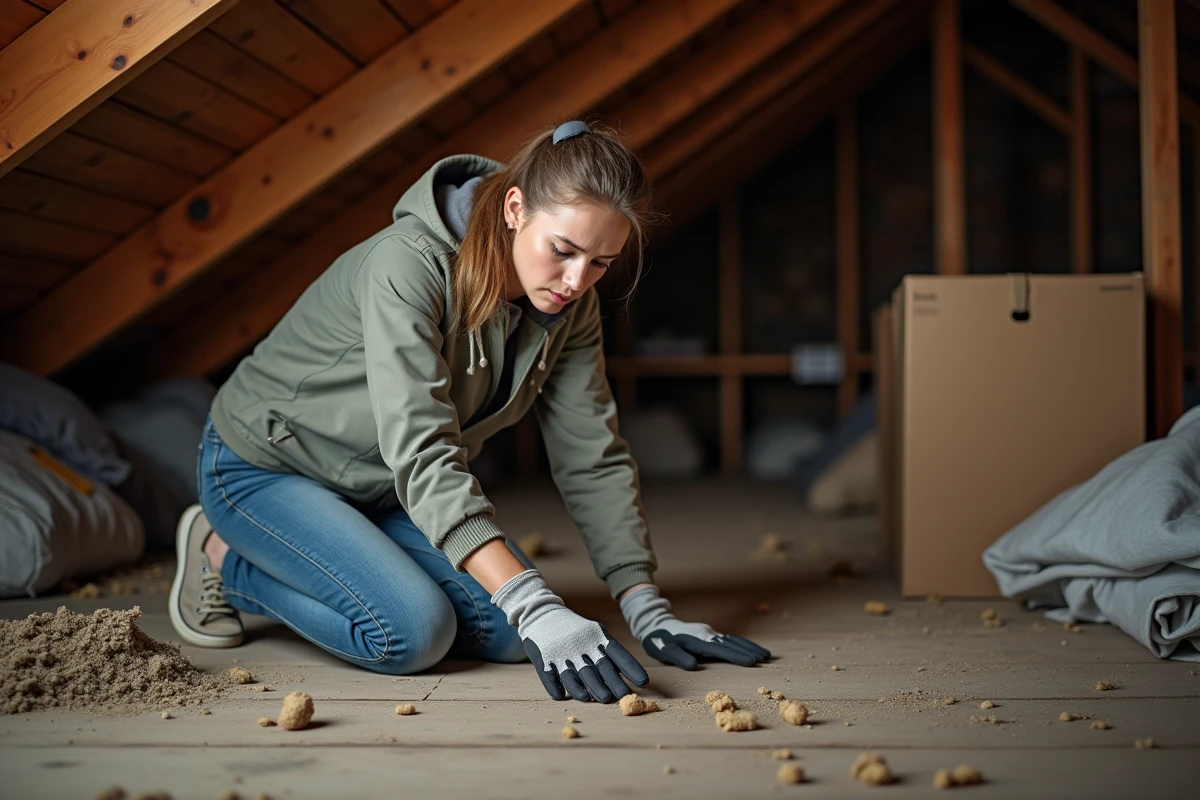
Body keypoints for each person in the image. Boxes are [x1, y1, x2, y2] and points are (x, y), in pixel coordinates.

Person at [168, 120, 770, 704]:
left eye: (601, 263)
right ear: (514, 209)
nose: (576, 279)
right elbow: (423, 449)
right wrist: (535, 603)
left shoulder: (572, 307)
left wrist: (644, 604)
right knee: (411, 633)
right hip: (266, 466)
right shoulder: (406, 266)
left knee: (513, 636)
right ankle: (223, 556)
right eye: (563, 250)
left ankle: (347, 552)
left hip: (381, 488)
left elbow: (591, 451)